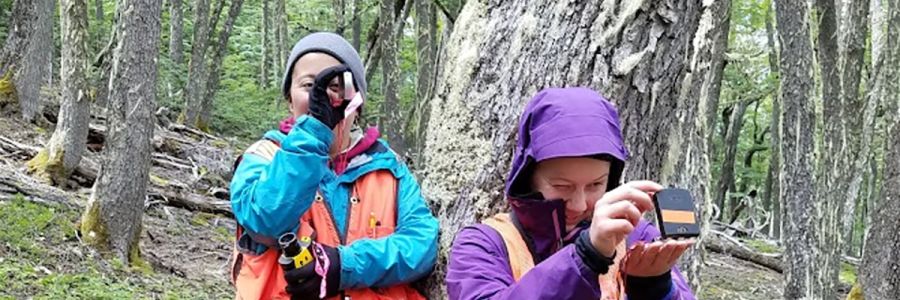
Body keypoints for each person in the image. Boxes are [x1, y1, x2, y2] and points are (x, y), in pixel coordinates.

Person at [229, 32, 438, 300]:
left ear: (357, 103)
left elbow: (422, 247)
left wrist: (343, 266)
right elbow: (267, 220)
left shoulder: (389, 168)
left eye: (336, 86)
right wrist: (314, 131)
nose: (322, 96)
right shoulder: (262, 157)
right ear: (289, 98)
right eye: (309, 85)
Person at [445, 87, 697, 299]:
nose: (579, 205)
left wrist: (655, 289)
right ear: (528, 177)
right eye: (562, 186)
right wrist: (586, 257)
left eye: (595, 185)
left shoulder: (637, 237)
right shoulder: (484, 244)